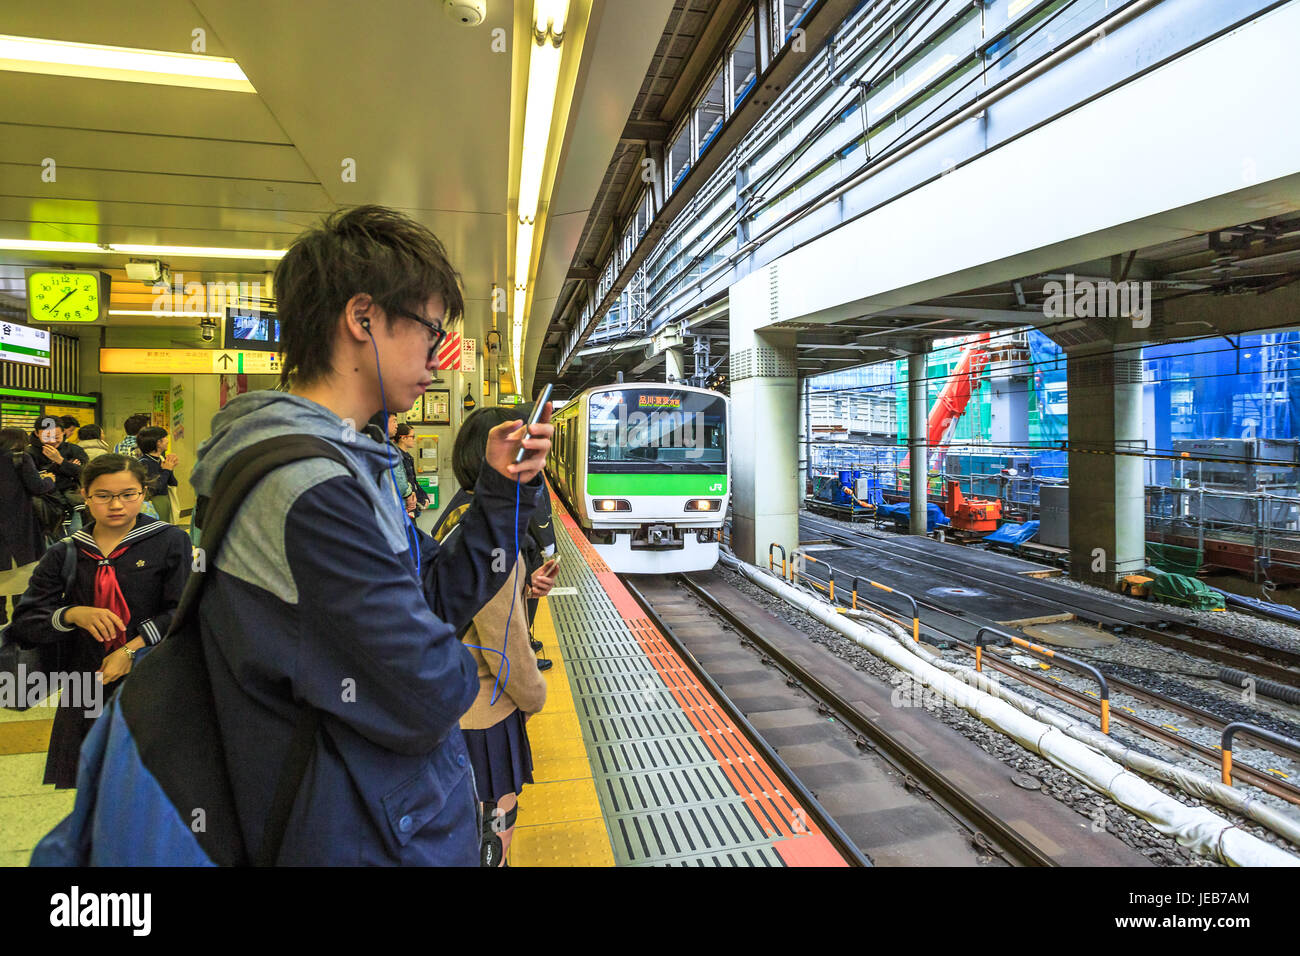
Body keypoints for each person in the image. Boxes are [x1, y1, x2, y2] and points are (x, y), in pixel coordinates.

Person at [35, 205, 554, 866]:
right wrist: (452, 664)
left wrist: (504, 493)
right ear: (363, 318)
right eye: (429, 329)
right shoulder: (310, 490)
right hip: (348, 825)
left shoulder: (343, 465)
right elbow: (427, 686)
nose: (436, 354)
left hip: (355, 806)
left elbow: (434, 596)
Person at [6, 454, 191, 788]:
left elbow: (182, 609)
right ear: (85, 495)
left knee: (150, 780)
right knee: (91, 778)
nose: (116, 504)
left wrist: (131, 649)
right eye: (103, 495)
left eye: (128, 494)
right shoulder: (66, 552)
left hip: (151, 674)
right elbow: (27, 620)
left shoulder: (169, 542)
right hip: (85, 679)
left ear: (143, 494)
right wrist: (72, 613)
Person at [432, 406, 552, 865]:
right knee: (493, 831)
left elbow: (469, 599)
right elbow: (506, 650)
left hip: (452, 707)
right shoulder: (490, 539)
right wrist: (535, 693)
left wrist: (523, 586)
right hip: (483, 717)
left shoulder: (458, 517)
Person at [0, 427, 54, 626]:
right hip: (18, 527)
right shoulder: (20, 458)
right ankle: (20, 624)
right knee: (22, 577)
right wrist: (49, 480)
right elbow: (37, 487)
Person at [29, 416, 87, 532]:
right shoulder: (28, 453)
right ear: (36, 433)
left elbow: (84, 474)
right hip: (43, 508)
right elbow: (33, 482)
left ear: (63, 432)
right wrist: (69, 468)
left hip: (74, 506)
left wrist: (60, 461)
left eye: (56, 437)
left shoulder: (74, 450)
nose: (52, 441)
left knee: (75, 539)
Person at [135, 426, 178, 523]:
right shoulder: (144, 463)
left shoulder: (160, 459)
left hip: (164, 501)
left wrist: (170, 466)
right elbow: (155, 487)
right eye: (165, 438)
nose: (167, 441)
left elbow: (172, 482)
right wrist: (167, 470)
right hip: (155, 503)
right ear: (158, 442)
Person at [394, 422, 429, 513]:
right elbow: (405, 483)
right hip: (405, 505)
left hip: (412, 503)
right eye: (412, 437)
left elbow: (413, 481)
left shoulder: (408, 456)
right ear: (403, 438)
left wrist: (423, 496)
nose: (414, 439)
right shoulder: (397, 457)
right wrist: (420, 500)